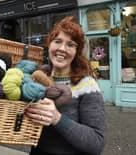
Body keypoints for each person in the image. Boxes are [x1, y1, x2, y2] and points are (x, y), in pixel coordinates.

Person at [25, 16, 106, 155]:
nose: (62, 49)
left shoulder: (86, 85)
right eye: (57, 41)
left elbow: (96, 143)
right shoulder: (37, 79)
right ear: (49, 45)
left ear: (76, 52)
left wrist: (57, 118)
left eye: (70, 45)